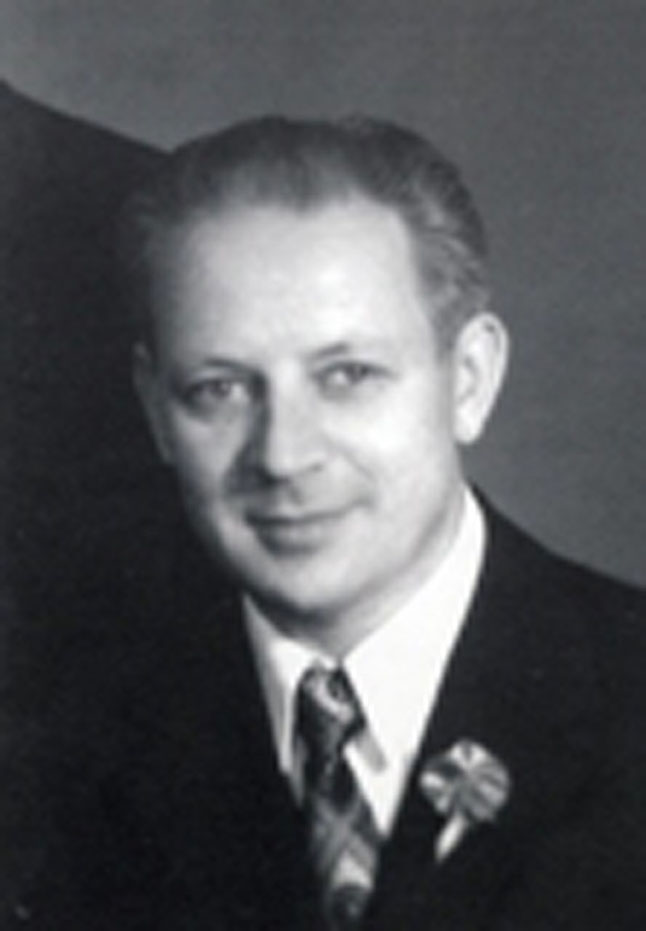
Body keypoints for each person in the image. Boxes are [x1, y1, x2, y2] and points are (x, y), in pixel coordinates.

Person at [8, 116, 646, 930]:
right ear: (156, 412)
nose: (283, 454)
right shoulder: (56, 747)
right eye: (219, 389)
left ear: (470, 380)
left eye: (347, 375)